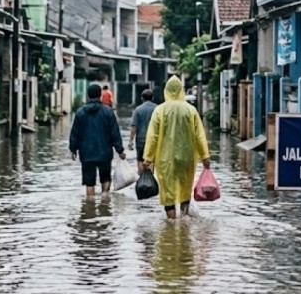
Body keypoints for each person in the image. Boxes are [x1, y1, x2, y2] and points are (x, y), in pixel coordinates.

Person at [142, 76, 211, 219]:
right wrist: (205, 156)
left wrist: (148, 158)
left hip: (165, 159)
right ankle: (184, 221)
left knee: (168, 193)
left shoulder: (160, 110)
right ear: (181, 91)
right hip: (187, 158)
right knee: (185, 189)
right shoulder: (191, 110)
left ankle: (171, 225)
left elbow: (153, 136)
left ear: (166, 91)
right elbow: (200, 135)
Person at [70, 83, 126, 196]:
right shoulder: (108, 112)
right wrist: (120, 150)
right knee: (105, 179)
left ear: (88, 95)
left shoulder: (80, 112)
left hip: (86, 154)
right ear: (100, 95)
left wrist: (73, 149)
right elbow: (114, 132)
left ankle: (89, 206)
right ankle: (105, 201)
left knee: (89, 183)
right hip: (104, 152)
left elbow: (75, 133)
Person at [128, 89, 157, 173]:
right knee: (151, 160)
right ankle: (150, 181)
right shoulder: (157, 109)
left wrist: (130, 141)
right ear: (153, 98)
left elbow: (134, 126)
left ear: (142, 98)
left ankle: (141, 180)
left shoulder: (138, 110)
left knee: (140, 160)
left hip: (141, 141)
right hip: (153, 141)